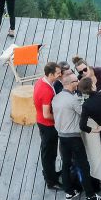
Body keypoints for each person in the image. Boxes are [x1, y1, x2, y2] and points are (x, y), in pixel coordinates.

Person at [52, 70, 101, 200]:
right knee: (83, 165)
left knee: (66, 164)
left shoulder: (57, 98)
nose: (78, 82)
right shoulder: (73, 99)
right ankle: (90, 194)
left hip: (61, 136)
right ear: (70, 84)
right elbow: (84, 112)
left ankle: (69, 191)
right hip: (73, 137)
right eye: (76, 81)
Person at [33, 62, 63, 190]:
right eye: (58, 73)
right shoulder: (46, 91)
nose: (60, 75)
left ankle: (50, 174)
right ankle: (51, 181)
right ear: (50, 74)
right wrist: (59, 119)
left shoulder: (41, 81)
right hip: (48, 125)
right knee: (49, 154)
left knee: (48, 152)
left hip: (41, 122)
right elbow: (46, 114)